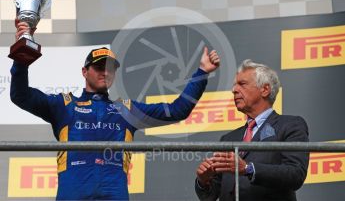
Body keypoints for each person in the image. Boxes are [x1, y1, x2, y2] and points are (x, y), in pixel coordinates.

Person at [10, 20, 220, 200]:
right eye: (99, 67)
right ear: (84, 71)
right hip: (72, 193)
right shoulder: (64, 105)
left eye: (110, 68)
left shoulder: (126, 110)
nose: (105, 73)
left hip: (114, 193)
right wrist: (23, 53)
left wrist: (201, 73)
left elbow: (178, 110)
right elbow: (20, 95)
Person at [195, 59, 309, 201]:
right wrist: (204, 181)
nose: (234, 90)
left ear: (265, 89)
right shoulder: (228, 139)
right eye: (235, 85)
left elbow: (295, 174)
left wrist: (249, 169)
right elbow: (210, 196)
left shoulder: (290, 125)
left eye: (242, 84)